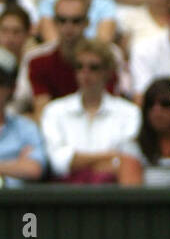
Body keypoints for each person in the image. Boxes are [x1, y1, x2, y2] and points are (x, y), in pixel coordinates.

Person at [40, 39, 140, 182]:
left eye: (93, 67)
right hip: (65, 194)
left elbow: (125, 162)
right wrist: (109, 156)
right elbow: (58, 163)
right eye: (80, 67)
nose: (85, 73)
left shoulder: (130, 112)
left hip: (112, 193)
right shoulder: (54, 110)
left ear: (107, 72)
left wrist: (77, 161)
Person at [0, 47, 46, 186]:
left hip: (13, 205)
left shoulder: (26, 128)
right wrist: (15, 165)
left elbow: (34, 169)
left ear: (12, 88)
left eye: (0, 82)